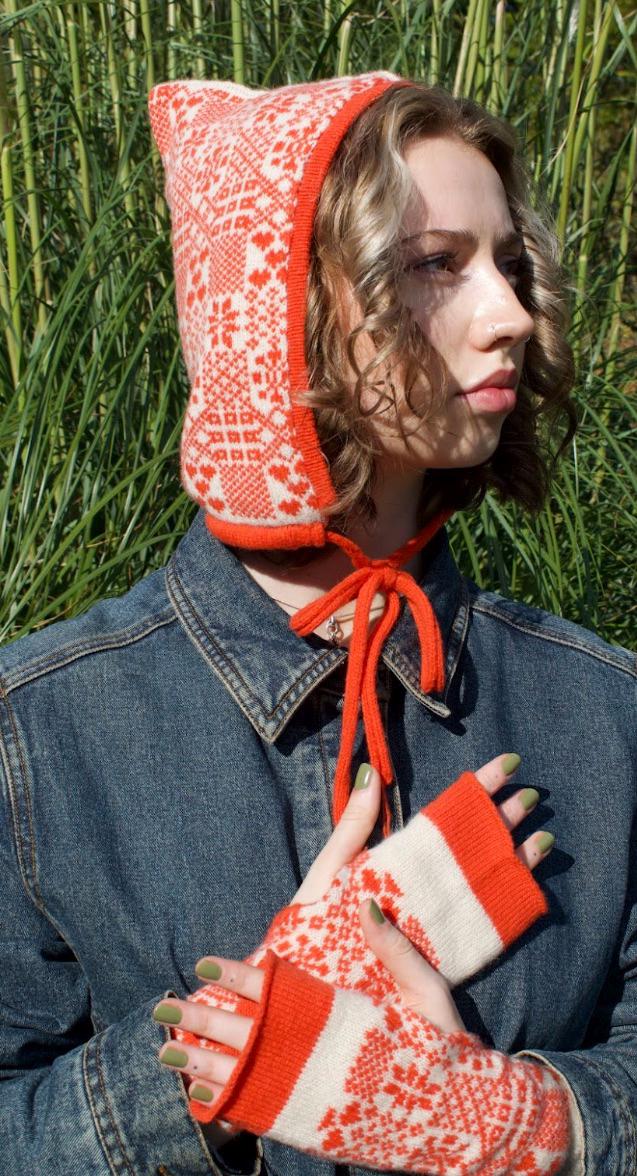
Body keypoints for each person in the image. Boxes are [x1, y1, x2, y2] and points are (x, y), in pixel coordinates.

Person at [0, 71, 634, 1176]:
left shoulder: (606, 711)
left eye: (508, 262)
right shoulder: (42, 735)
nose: (511, 315)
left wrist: (515, 1124)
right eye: (434, 264)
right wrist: (226, 1062)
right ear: (278, 317)